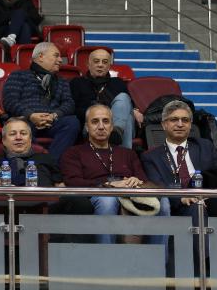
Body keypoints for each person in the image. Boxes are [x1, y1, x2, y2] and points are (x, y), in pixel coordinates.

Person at [61, 104, 169, 243]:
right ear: (87, 127)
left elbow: (143, 180)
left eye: (106, 121)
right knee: (108, 200)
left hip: (129, 194)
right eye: (95, 121)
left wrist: (136, 181)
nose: (101, 126)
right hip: (97, 194)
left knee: (163, 202)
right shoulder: (73, 152)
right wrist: (109, 185)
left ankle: (158, 255)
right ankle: (106, 254)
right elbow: (73, 182)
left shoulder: (128, 153)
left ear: (112, 126)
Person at [141, 100, 217, 219]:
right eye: (174, 119)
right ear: (164, 125)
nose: (180, 124)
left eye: (185, 120)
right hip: (179, 206)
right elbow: (157, 186)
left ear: (190, 125)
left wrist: (207, 195)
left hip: (211, 199)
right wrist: (182, 198)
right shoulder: (151, 157)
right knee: (196, 207)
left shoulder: (205, 146)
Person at [1, 42, 80, 161]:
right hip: (26, 120)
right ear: (41, 56)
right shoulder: (18, 76)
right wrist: (31, 115)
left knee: (72, 122)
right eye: (56, 55)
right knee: (20, 126)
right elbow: (10, 101)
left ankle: (49, 163)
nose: (60, 60)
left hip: (52, 121)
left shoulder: (62, 81)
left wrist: (54, 115)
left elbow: (69, 103)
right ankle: (31, 163)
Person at [70, 48, 141, 149]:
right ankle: (123, 154)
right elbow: (73, 109)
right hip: (91, 126)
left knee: (124, 99)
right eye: (96, 61)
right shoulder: (77, 83)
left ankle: (116, 131)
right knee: (127, 118)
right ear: (88, 64)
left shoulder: (118, 82)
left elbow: (127, 105)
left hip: (116, 124)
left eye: (105, 62)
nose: (100, 65)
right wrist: (99, 112)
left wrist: (134, 110)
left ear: (109, 66)